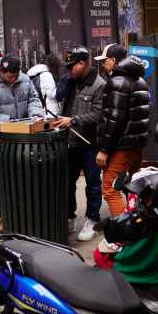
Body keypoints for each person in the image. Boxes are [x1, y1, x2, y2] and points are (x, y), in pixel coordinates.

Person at [0, 55, 43, 229]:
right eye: (9, 76)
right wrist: (11, 121)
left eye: (15, 75)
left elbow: (34, 99)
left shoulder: (24, 80)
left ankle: (21, 218)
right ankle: (0, 220)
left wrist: (36, 114)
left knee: (22, 181)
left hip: (22, 141)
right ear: (0, 71)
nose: (13, 79)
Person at [57, 46, 109, 241]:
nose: (69, 70)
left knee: (92, 183)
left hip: (90, 142)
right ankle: (69, 216)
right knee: (68, 182)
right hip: (70, 141)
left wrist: (73, 120)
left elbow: (98, 114)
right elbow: (62, 102)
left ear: (83, 63)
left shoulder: (99, 85)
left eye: (73, 66)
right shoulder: (71, 82)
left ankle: (92, 219)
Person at [97, 53, 150, 218]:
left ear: (114, 61)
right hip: (137, 145)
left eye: (105, 61)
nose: (103, 65)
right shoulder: (140, 81)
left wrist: (104, 150)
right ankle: (141, 225)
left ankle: (124, 235)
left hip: (121, 146)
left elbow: (114, 119)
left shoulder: (117, 82)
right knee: (132, 186)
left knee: (110, 188)